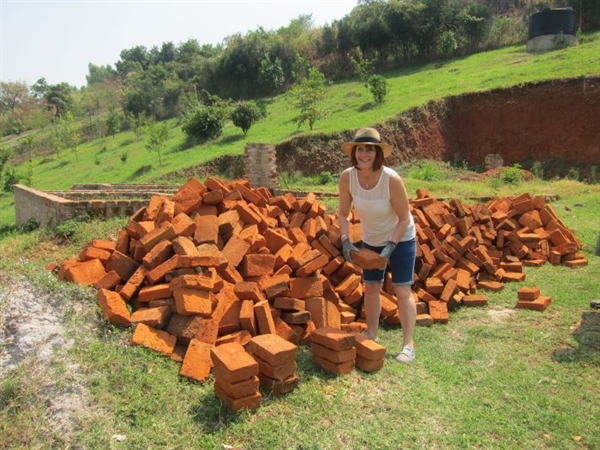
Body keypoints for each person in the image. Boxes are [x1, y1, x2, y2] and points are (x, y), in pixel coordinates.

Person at [337, 127, 417, 364]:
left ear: (378, 153)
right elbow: (342, 213)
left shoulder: (391, 179)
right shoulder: (347, 177)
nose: (364, 154)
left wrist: (391, 246)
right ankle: (371, 334)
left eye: (369, 150)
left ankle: (408, 344)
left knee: (402, 290)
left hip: (400, 238)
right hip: (371, 239)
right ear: (354, 152)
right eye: (360, 149)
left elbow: (404, 217)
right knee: (371, 287)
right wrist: (345, 241)